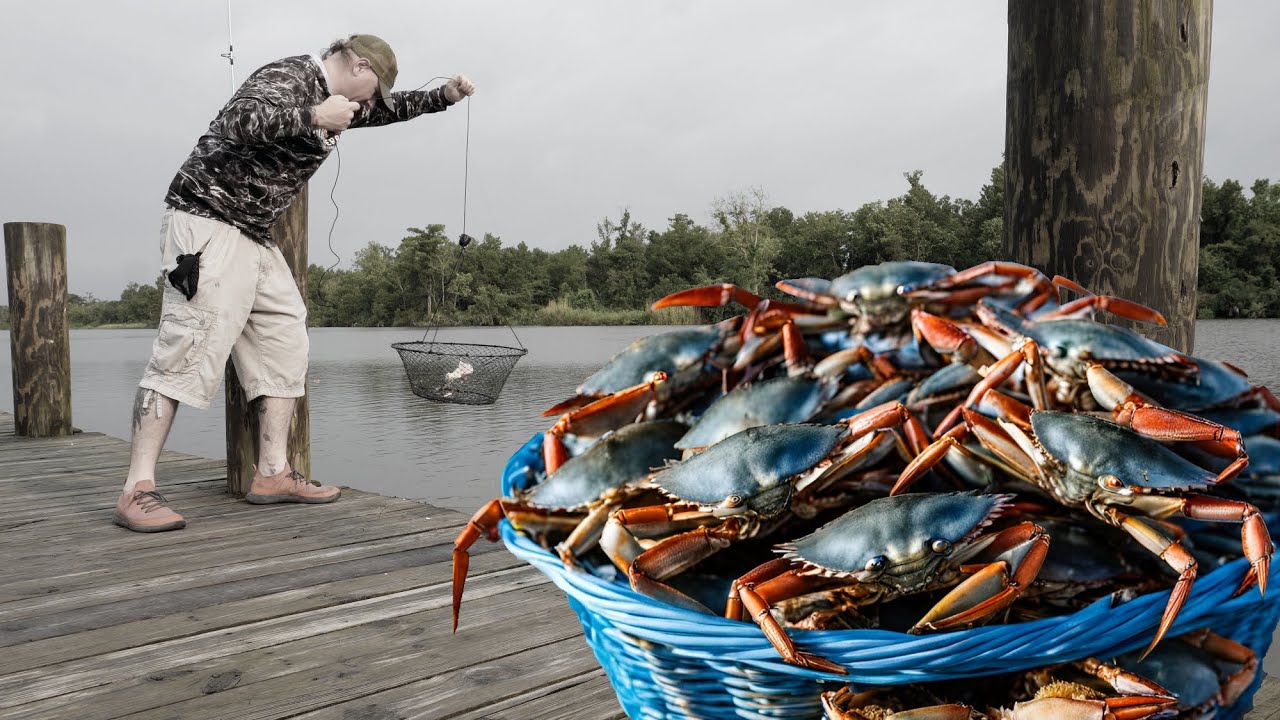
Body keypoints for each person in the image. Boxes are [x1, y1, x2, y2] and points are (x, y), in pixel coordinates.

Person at [113, 34, 476, 532]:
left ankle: (273, 473)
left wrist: (445, 98)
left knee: (287, 338)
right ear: (359, 65)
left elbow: (392, 111)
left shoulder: (349, 101)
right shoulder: (290, 76)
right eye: (375, 89)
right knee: (186, 346)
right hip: (206, 222)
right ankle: (137, 488)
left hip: (253, 235)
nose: (373, 103)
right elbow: (239, 121)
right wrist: (313, 116)